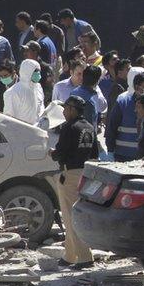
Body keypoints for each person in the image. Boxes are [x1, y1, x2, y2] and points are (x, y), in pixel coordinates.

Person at [50, 95, 97, 269]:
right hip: (86, 174)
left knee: (71, 217)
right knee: (75, 215)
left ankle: (84, 257)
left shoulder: (69, 127)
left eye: (65, 108)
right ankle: (70, 255)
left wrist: (52, 153)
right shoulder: (90, 127)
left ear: (72, 109)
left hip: (70, 174)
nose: (63, 111)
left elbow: (60, 153)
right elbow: (94, 154)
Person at [105, 69, 144, 162]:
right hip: (123, 155)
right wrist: (110, 151)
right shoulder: (123, 101)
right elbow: (112, 126)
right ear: (137, 87)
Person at [2, 59, 44, 125]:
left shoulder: (38, 88)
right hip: (21, 132)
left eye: (38, 71)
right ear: (26, 72)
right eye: (35, 71)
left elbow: (41, 108)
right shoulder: (13, 92)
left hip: (37, 131)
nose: (38, 73)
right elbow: (8, 119)